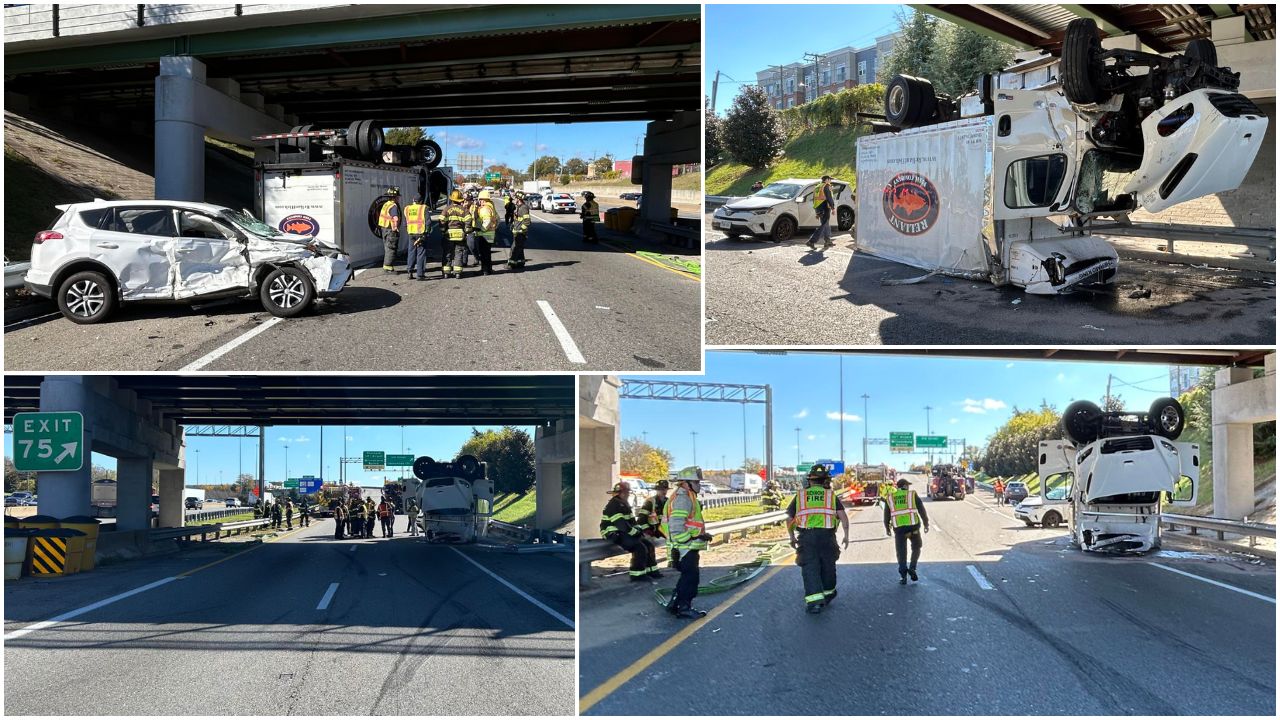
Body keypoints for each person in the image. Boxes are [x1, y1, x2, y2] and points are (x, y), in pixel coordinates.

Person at [787, 466, 851, 614]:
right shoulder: (830, 496)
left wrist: (791, 537)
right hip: (827, 537)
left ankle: (814, 602)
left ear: (809, 480)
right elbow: (843, 517)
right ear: (825, 481)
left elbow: (789, 518)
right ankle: (828, 593)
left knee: (810, 567)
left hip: (807, 537)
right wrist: (846, 536)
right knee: (828, 564)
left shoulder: (801, 496)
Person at [663, 470, 712, 619]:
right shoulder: (683, 498)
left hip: (685, 545)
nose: (699, 485)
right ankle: (684, 607)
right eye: (696, 482)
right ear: (686, 483)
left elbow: (689, 523)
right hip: (685, 547)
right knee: (691, 578)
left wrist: (700, 536)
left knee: (686, 577)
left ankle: (675, 603)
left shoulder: (687, 496)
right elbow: (676, 526)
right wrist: (688, 541)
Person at [600, 481, 660, 581]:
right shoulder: (614, 505)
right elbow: (620, 524)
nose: (628, 494)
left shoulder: (624, 504)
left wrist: (639, 530)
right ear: (621, 493)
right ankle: (637, 575)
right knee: (639, 548)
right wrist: (634, 532)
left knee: (648, 545)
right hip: (614, 533)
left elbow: (631, 522)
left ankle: (652, 571)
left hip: (623, 532)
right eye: (627, 492)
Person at [883, 477, 930, 584]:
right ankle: (912, 568)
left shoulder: (890, 497)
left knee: (901, 553)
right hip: (913, 527)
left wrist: (887, 527)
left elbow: (886, 514)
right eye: (907, 485)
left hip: (899, 529)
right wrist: (926, 523)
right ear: (904, 486)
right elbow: (922, 510)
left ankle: (903, 576)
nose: (908, 487)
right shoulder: (912, 494)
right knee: (916, 547)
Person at [441, 189, 470, 279]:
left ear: (451, 199)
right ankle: (457, 272)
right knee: (459, 253)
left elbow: (441, 220)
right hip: (460, 235)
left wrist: (443, 230)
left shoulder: (446, 209)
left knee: (447, 253)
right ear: (460, 200)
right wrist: (466, 230)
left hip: (448, 235)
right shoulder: (464, 210)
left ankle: (446, 272)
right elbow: (469, 220)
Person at [471, 188, 500, 275]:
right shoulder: (491, 207)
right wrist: (494, 228)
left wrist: (482, 230)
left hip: (485, 234)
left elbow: (487, 221)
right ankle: (488, 269)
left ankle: (485, 270)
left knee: (484, 253)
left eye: (479, 200)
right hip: (490, 233)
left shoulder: (485, 209)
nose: (478, 201)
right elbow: (498, 220)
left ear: (483, 200)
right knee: (487, 252)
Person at [405, 193, 430, 281]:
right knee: (421, 253)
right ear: (421, 201)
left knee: (411, 252)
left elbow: (406, 222)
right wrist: (426, 233)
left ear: (413, 200)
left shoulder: (407, 208)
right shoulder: (424, 208)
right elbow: (428, 222)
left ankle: (410, 272)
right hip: (420, 233)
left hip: (411, 233)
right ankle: (420, 274)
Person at [806, 175, 835, 251]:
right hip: (824, 207)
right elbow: (829, 198)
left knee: (826, 224)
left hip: (818, 207)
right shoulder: (826, 186)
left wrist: (817, 212)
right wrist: (833, 208)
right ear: (826, 180)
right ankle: (811, 241)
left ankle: (827, 241)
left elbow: (814, 200)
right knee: (824, 224)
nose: (830, 181)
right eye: (830, 179)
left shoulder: (817, 186)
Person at [377, 187, 402, 272]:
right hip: (390, 229)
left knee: (387, 248)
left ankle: (386, 265)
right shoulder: (393, 206)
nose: (398, 198)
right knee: (391, 248)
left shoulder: (386, 204)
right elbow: (395, 218)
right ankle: (388, 267)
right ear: (394, 197)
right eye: (398, 197)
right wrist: (395, 229)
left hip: (384, 228)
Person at [508, 192, 530, 270]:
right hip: (517, 231)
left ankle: (511, 264)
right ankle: (520, 263)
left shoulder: (523, 208)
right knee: (519, 248)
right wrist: (513, 225)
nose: (514, 199)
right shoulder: (518, 207)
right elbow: (518, 219)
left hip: (520, 233)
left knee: (514, 248)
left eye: (515, 198)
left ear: (518, 199)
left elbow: (527, 221)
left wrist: (521, 230)